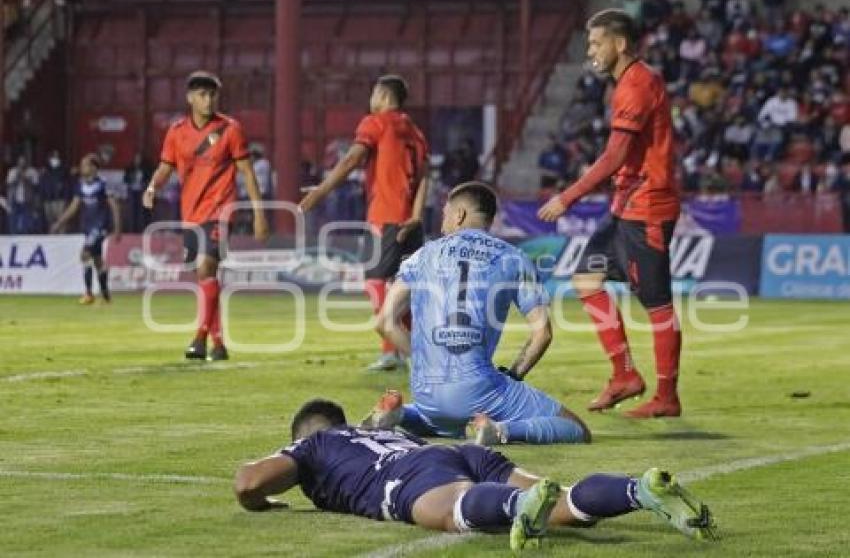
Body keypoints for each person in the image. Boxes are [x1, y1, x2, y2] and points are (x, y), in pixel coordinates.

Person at [234, 398, 716, 552]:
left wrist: (264, 501)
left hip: (410, 474)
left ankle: (514, 509)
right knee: (565, 504)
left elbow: (249, 483)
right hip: (459, 453)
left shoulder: (314, 443)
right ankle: (641, 489)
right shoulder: (372, 434)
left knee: (449, 513)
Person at [363, 182, 589, 445]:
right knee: (575, 427)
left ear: (459, 215)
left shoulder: (421, 255)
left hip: (426, 392)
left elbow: (384, 322)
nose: (443, 222)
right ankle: (500, 431)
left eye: (445, 214)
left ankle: (399, 415)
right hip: (478, 391)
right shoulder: (513, 258)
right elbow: (542, 333)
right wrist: (514, 374)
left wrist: (427, 360)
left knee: (447, 422)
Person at [538, 10, 683, 418]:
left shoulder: (637, 84)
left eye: (596, 43)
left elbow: (616, 155)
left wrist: (568, 197)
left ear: (619, 44)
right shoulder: (627, 84)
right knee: (586, 279)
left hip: (647, 207)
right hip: (625, 206)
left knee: (657, 305)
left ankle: (667, 397)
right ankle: (624, 375)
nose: (591, 51)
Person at [299, 74, 430, 372]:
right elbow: (424, 177)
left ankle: (393, 351)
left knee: (374, 282)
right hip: (410, 221)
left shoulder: (375, 122)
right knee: (401, 287)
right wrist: (417, 215)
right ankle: (408, 350)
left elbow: (351, 160)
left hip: (385, 216)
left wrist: (321, 190)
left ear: (382, 96)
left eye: (373, 94)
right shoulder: (416, 132)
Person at [142, 71, 269, 361]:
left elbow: (247, 173)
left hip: (221, 211)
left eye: (212, 94)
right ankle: (219, 343)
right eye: (202, 94)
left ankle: (199, 338)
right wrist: (152, 187)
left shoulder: (230, 129)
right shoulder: (176, 132)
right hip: (191, 214)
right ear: (190, 98)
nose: (208, 99)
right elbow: (165, 168)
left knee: (205, 268)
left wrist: (259, 213)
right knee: (205, 277)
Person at [51, 154, 121, 305]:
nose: (82, 168)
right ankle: (106, 296)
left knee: (84, 254)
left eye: (85, 165)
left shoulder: (103, 184)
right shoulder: (81, 185)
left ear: (94, 167)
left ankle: (89, 294)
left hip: (100, 226)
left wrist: (117, 228)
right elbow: (74, 207)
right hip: (88, 227)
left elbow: (114, 206)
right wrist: (59, 222)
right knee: (97, 261)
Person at [123, 153, 152, 233]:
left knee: (143, 212)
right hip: (132, 192)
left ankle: (143, 230)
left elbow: (149, 179)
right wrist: (131, 181)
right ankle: (132, 230)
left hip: (142, 192)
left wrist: (144, 184)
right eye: (137, 159)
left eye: (139, 159)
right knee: (132, 212)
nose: (138, 161)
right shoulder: (130, 168)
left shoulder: (146, 169)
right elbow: (125, 179)